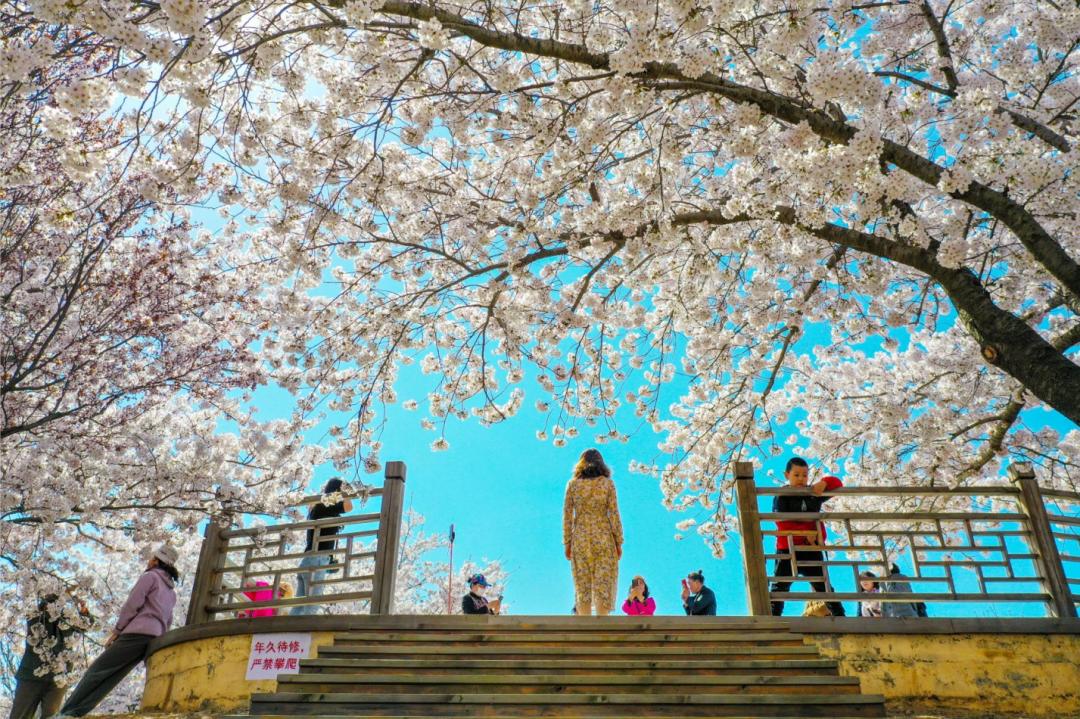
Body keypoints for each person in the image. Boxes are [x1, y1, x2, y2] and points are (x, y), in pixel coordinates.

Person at [54, 544, 179, 718]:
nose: (148, 560)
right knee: (112, 678)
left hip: (136, 633)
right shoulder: (171, 592)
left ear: (157, 561)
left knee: (97, 671)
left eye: (152, 558)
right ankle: (75, 713)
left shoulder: (150, 577)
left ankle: (66, 712)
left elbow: (132, 605)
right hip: (153, 638)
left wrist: (118, 631)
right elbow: (168, 620)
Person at [770, 457, 846, 617]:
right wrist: (808, 533)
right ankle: (773, 618)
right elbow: (782, 522)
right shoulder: (782, 495)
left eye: (804, 475)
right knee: (780, 586)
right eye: (796, 475)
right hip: (788, 547)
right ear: (787, 475)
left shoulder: (813, 493)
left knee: (823, 585)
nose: (801, 479)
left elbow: (838, 484)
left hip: (811, 548)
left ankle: (840, 616)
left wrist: (824, 483)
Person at [563, 448, 623, 616]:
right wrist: (618, 541)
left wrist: (567, 543)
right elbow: (614, 513)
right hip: (604, 536)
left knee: (582, 584)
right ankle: (602, 623)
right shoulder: (607, 483)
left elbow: (567, 515)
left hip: (580, 537)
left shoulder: (573, 485)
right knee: (603, 582)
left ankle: (584, 625)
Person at [10, 593, 90, 719]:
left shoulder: (68, 619)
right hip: (31, 675)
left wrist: (84, 612)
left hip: (59, 677)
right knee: (19, 715)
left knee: (51, 716)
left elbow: (86, 625)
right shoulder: (35, 617)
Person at [292, 478, 353, 616]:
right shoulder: (326, 505)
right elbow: (349, 507)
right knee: (312, 604)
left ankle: (288, 634)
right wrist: (345, 493)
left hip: (307, 559)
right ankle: (305, 635)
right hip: (318, 560)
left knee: (298, 607)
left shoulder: (317, 506)